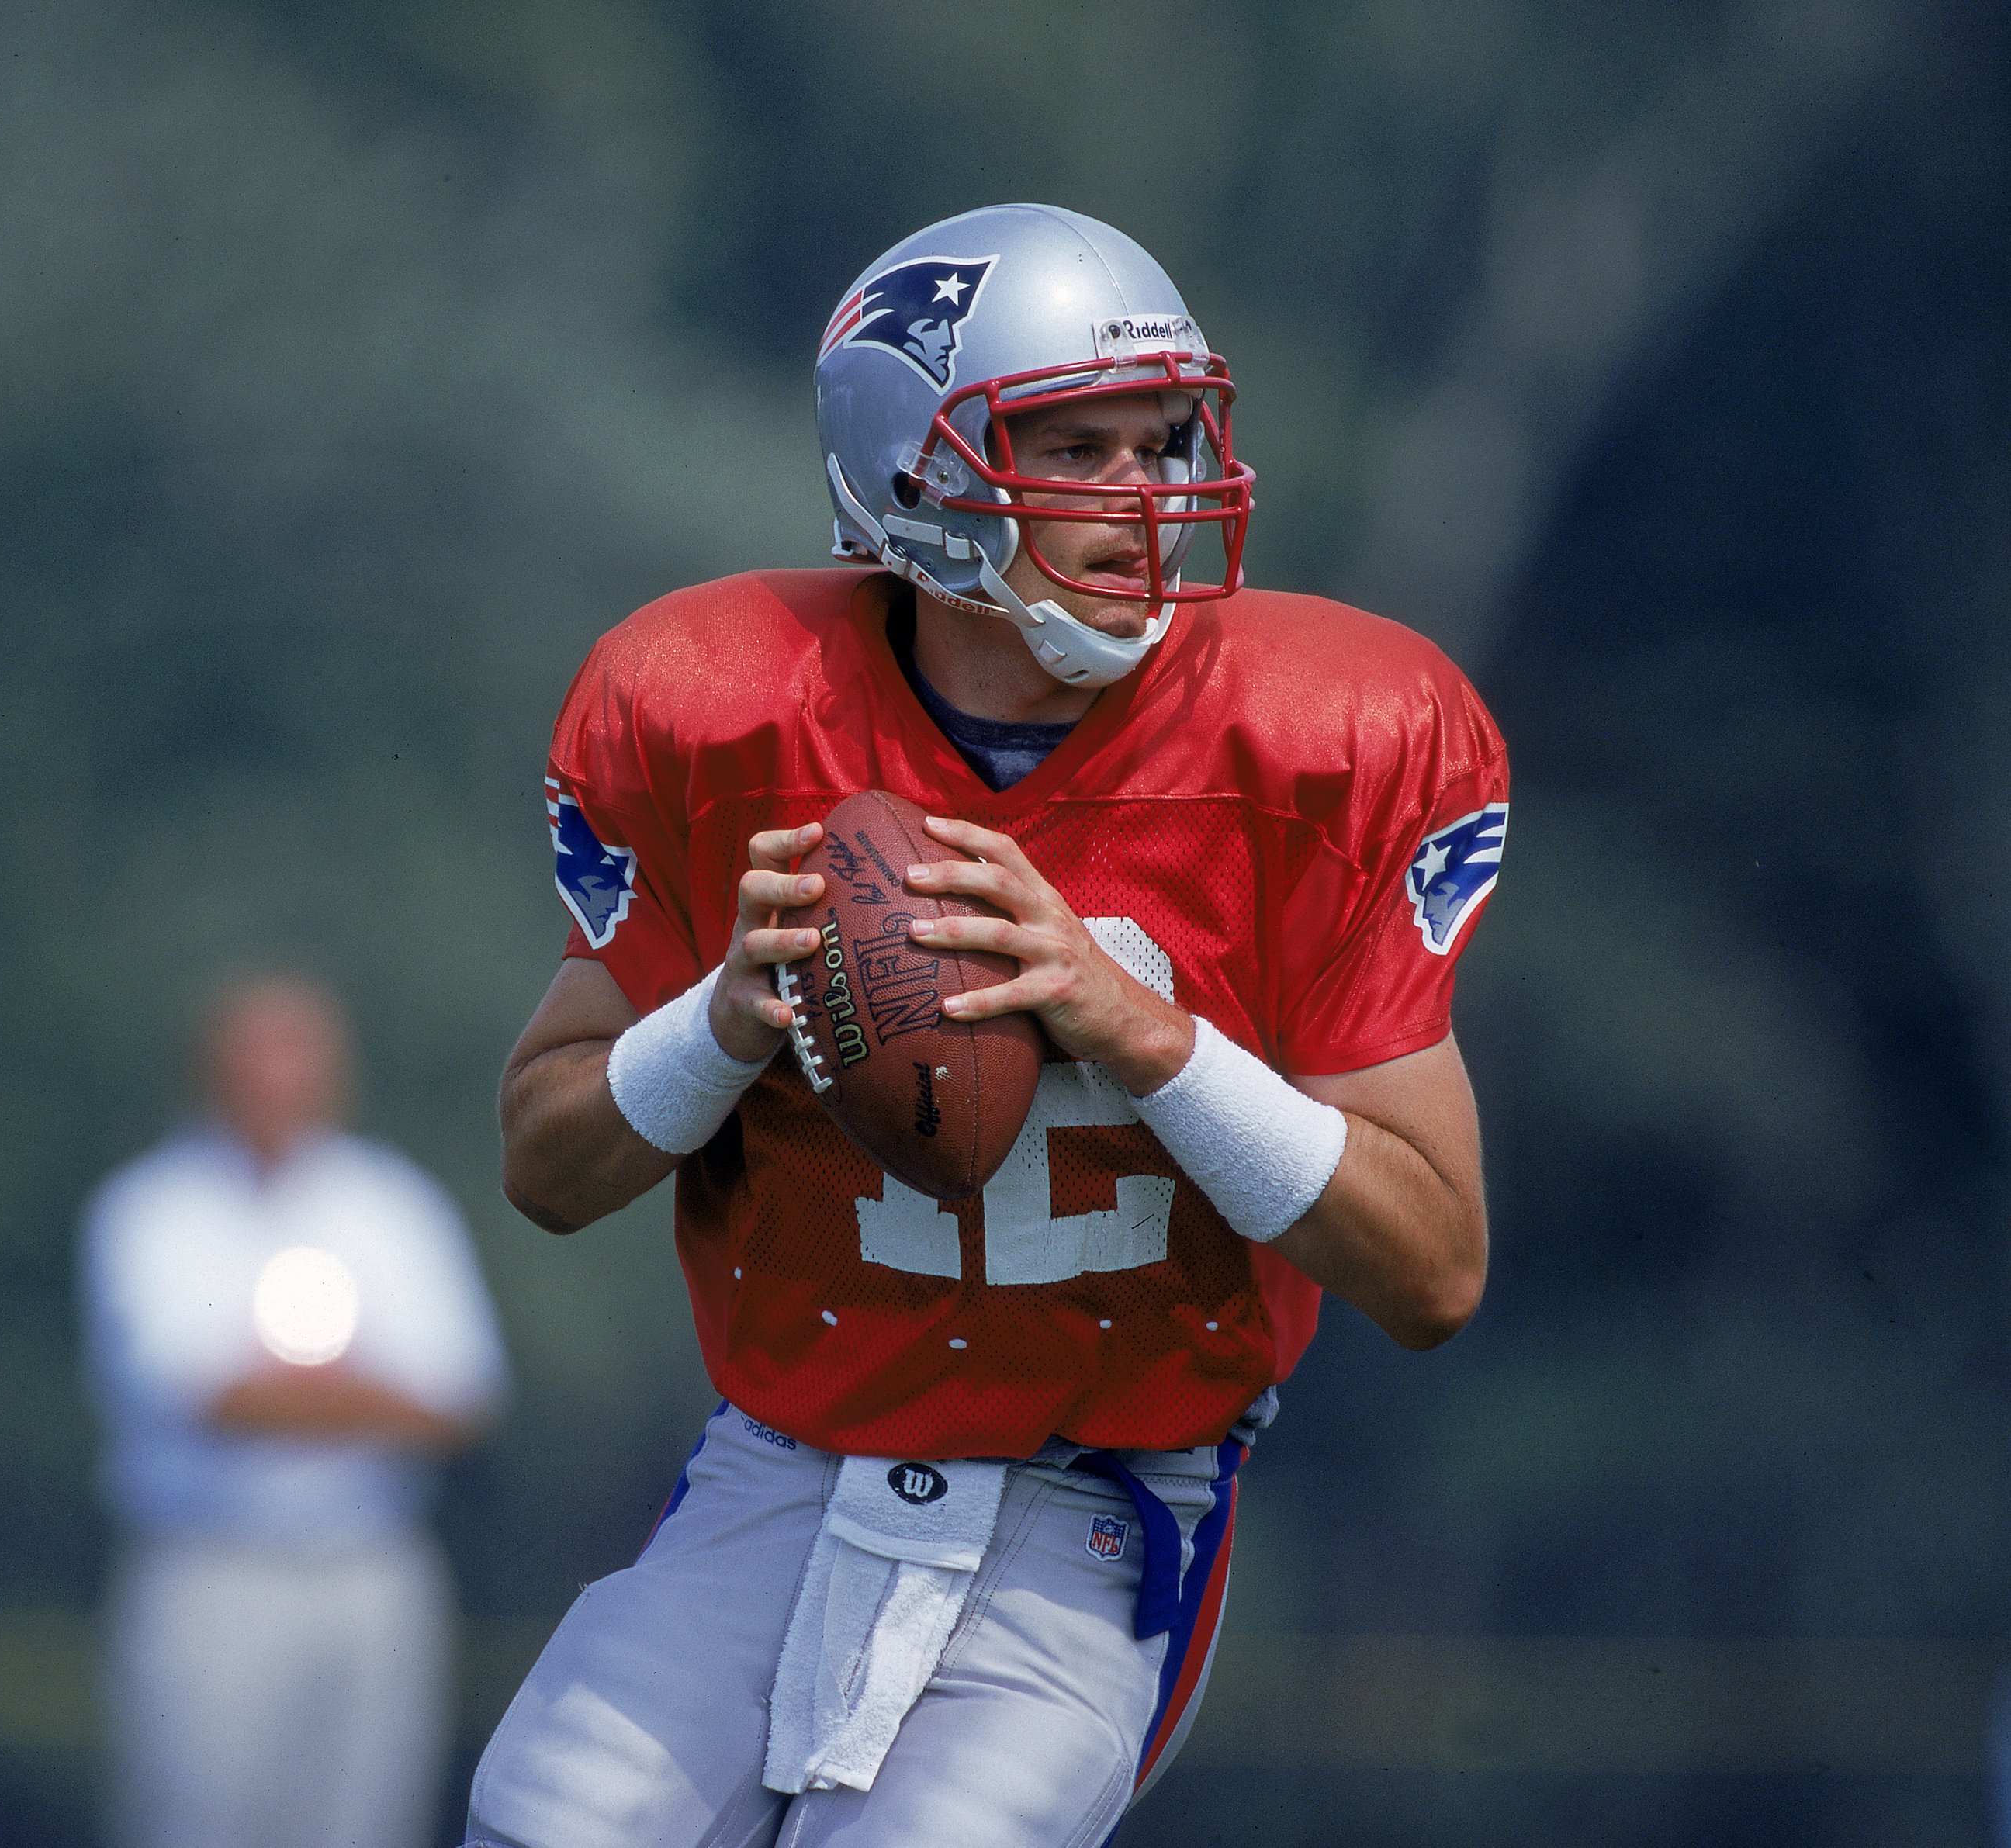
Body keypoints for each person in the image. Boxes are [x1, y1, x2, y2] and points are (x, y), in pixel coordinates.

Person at [468, 203, 1508, 1848]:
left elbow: (1433, 1269)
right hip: (782, 1459)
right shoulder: (716, 711)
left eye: (1162, 442)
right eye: (1071, 450)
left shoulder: (1326, 737)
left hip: (1096, 1499)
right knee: (548, 1817)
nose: (1142, 500)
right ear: (911, 479)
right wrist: (718, 1025)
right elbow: (543, 1164)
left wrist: (1146, 1037)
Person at [85, 974, 508, 1848]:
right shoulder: (151, 1210)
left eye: (298, 1053)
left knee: (365, 1824)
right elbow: (198, 1394)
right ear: (211, 1069)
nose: (278, 1079)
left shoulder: (391, 1205)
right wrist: (365, 1394)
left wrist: (285, 1393)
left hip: (370, 1569)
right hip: (213, 1570)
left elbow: (463, 1398)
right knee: (196, 1822)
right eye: (257, 1054)